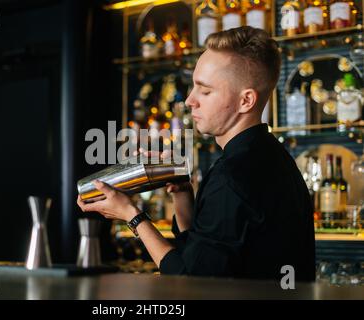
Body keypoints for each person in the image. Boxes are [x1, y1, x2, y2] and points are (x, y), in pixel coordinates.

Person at [77, 26, 316, 281]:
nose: (190, 100)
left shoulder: (232, 176)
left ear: (245, 101)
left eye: (205, 90)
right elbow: (200, 255)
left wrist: (132, 216)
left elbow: (190, 280)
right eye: (193, 87)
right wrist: (182, 192)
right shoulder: (270, 156)